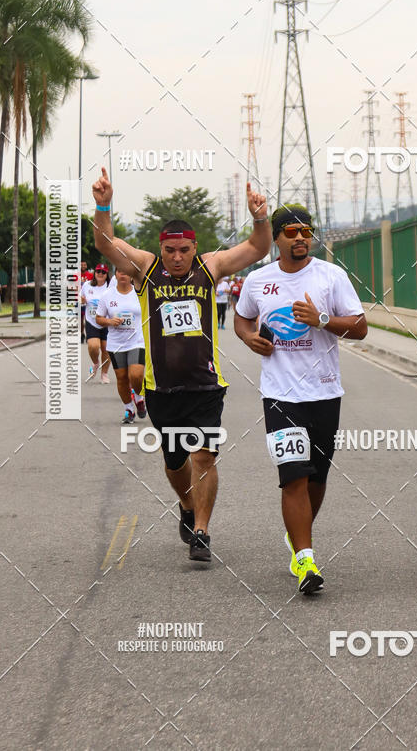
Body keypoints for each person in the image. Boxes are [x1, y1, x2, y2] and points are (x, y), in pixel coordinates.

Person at [92, 166, 271, 562]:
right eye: (170, 250)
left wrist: (260, 217)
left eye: (183, 250)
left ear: (194, 248)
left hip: (206, 385)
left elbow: (257, 248)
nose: (176, 257)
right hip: (161, 389)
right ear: (161, 249)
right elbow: (105, 243)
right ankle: (187, 507)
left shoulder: (211, 268)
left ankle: (202, 532)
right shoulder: (145, 269)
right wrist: (103, 204)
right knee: (176, 462)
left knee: (203, 455)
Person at [234, 204, 368, 594]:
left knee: (316, 478)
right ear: (276, 238)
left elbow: (360, 328)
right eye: (290, 232)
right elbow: (242, 319)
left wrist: (322, 320)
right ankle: (307, 560)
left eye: (305, 231)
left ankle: (298, 536)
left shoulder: (331, 276)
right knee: (293, 476)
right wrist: (247, 337)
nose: (300, 238)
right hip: (280, 395)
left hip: (325, 392)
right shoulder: (259, 281)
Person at [95, 267, 147, 424]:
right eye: (120, 272)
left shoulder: (140, 293)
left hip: (137, 340)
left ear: (131, 275)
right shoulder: (107, 296)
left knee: (136, 375)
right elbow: (98, 318)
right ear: (116, 275)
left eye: (126, 272)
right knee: (122, 378)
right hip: (116, 343)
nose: (123, 274)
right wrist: (110, 321)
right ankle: (129, 408)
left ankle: (139, 397)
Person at [81, 263, 111, 383]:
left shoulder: (110, 287)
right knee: (94, 346)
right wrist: (82, 300)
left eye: (103, 272)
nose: (100, 274)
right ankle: (95, 363)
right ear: (95, 273)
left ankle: (104, 374)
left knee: (106, 349)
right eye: (98, 271)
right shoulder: (87, 285)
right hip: (92, 321)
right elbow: (81, 298)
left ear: (107, 274)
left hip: (106, 321)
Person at [79, 261, 94, 344]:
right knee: (80, 319)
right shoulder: (76, 276)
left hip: (88, 300)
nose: (83, 266)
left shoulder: (91, 275)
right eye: (81, 265)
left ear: (86, 266)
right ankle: (82, 334)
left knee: (88, 318)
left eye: (84, 265)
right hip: (79, 300)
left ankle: (89, 334)